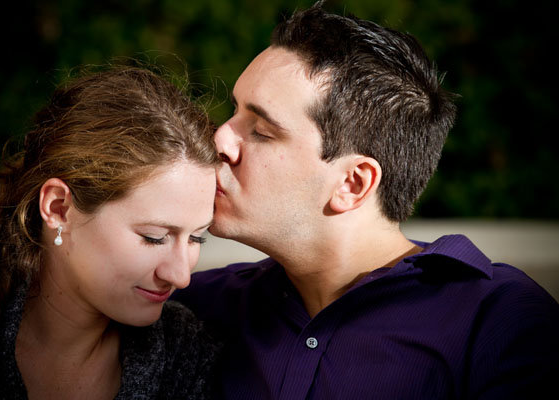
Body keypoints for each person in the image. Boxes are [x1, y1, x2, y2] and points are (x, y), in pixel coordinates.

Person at [172, 2, 559, 399]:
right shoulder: (196, 307)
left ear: (352, 184)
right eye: (233, 112)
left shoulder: (498, 321)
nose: (219, 139)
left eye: (262, 130)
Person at [0, 66, 221, 398]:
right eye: (154, 237)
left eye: (197, 237)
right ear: (58, 208)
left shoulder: (188, 356)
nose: (181, 276)